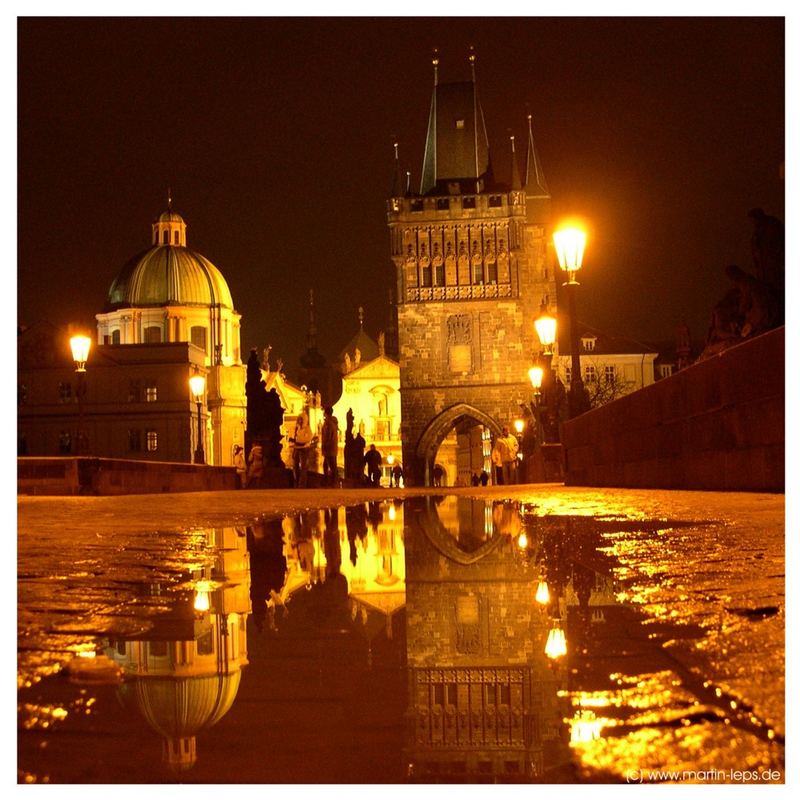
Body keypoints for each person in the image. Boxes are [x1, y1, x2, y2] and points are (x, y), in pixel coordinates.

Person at [291, 411, 314, 487]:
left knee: (303, 467)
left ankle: (302, 484)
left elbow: (309, 438)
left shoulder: (307, 429)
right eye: (299, 419)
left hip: (303, 449)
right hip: (296, 448)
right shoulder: (296, 428)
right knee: (295, 466)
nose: (299, 421)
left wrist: (300, 441)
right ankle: (296, 482)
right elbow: (294, 437)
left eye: (301, 419)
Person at [320, 406, 339, 486]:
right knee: (330, 464)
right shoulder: (332, 423)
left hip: (329, 447)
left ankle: (331, 481)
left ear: (326, 413)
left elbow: (327, 436)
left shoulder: (328, 423)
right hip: (333, 447)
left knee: (330, 465)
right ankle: (331, 481)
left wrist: (325, 445)